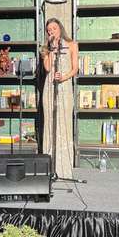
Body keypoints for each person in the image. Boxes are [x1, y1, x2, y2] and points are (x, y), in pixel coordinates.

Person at [42, 18, 79, 180]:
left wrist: (64, 77)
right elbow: (47, 68)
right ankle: (49, 168)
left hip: (65, 87)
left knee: (64, 124)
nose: (52, 31)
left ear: (60, 28)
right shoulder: (46, 48)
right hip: (50, 88)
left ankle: (63, 168)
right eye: (49, 30)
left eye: (54, 28)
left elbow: (75, 68)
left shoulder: (72, 44)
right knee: (50, 124)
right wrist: (51, 49)